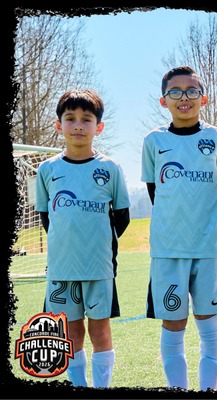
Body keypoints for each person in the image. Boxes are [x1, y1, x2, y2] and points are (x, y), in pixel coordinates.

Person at [141, 66, 217, 390]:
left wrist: (206, 227)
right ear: (163, 100)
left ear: (203, 98)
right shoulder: (154, 141)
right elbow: (156, 193)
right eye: (175, 92)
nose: (184, 97)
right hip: (168, 250)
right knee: (173, 323)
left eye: (192, 91)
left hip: (208, 248)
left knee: (208, 323)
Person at [36, 89, 131, 388]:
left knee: (100, 331)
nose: (78, 125)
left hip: (98, 267)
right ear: (59, 125)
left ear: (98, 127)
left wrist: (95, 242)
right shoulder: (47, 169)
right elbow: (46, 218)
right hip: (61, 269)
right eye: (71, 118)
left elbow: (122, 217)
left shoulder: (110, 168)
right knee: (70, 332)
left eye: (86, 119)